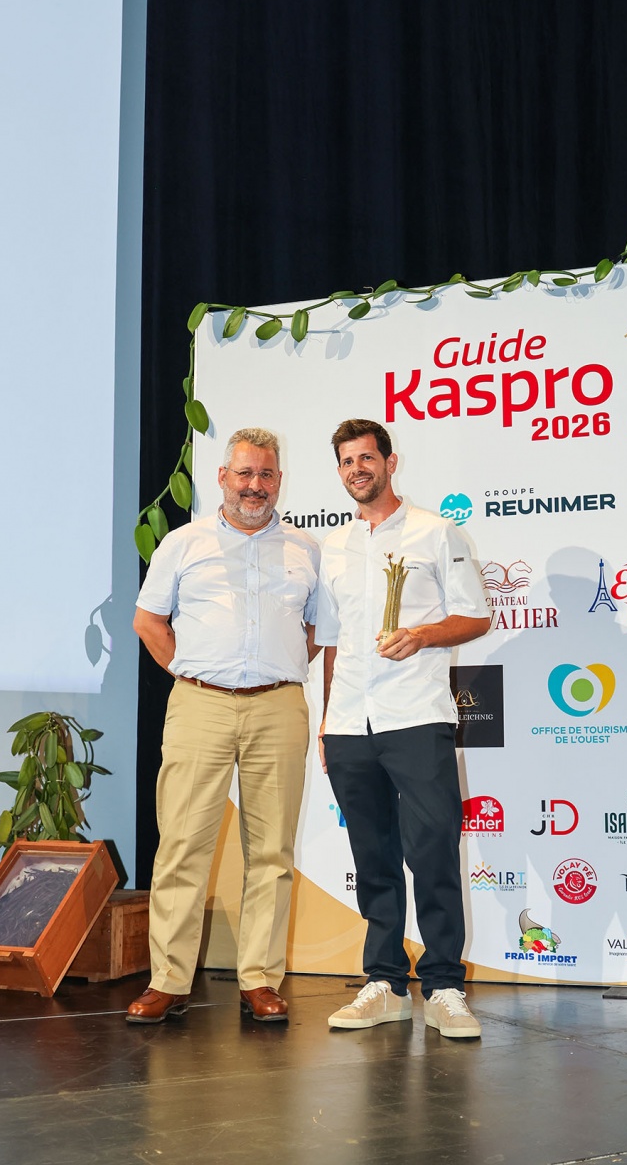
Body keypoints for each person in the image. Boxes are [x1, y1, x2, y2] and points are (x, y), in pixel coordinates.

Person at [126, 427, 319, 1024]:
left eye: (265, 475)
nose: (254, 486)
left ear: (279, 481)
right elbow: (148, 621)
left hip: (278, 707)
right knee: (182, 845)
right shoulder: (183, 543)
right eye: (244, 474)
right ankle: (168, 981)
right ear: (222, 478)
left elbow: (315, 632)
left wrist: (274, 669)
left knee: (272, 853)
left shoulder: (305, 550)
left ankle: (259, 980)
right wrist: (193, 671)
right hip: (199, 705)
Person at [316, 418, 490, 1039]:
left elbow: (475, 617)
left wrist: (421, 634)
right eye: (346, 461)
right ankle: (385, 983)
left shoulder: (436, 532)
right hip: (349, 723)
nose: (356, 470)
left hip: (417, 715)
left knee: (433, 850)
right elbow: (332, 641)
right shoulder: (333, 547)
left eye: (366, 458)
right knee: (373, 858)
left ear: (391, 463)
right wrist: (327, 721)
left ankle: (444, 985)